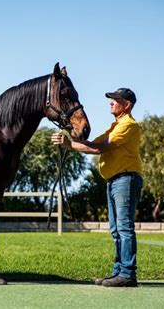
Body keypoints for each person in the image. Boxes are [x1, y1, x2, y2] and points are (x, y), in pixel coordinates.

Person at [51, 88, 143, 287]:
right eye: (111, 99)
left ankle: (127, 274)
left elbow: (100, 148)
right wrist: (70, 136)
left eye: (115, 99)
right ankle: (119, 272)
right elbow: (90, 144)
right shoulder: (114, 127)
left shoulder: (128, 126)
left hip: (126, 180)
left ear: (127, 105)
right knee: (115, 229)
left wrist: (69, 144)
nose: (111, 102)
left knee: (124, 228)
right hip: (115, 181)